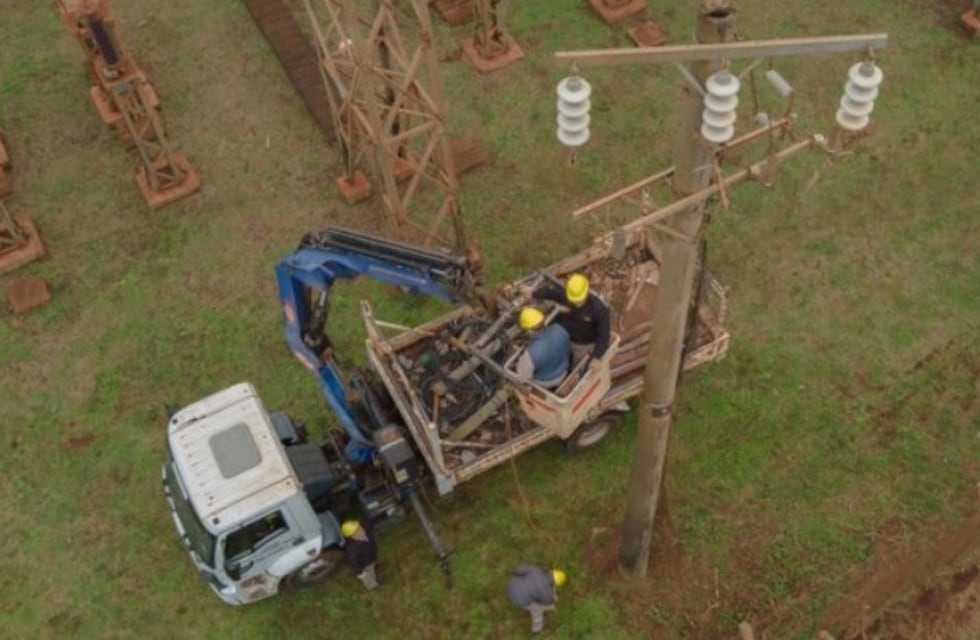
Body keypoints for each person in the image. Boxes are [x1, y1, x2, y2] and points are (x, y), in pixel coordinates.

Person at [529, 273, 610, 364]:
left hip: (583, 345)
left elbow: (604, 335)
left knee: (577, 364)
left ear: (586, 292)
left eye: (579, 299)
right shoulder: (568, 296)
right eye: (574, 300)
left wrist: (597, 356)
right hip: (567, 336)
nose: (576, 303)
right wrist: (533, 293)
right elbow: (553, 294)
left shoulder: (598, 309)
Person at [515, 307, 571, 389]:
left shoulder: (531, 354)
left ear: (528, 330)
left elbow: (522, 377)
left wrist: (519, 362)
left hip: (547, 382)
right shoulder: (559, 329)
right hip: (564, 370)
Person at [507, 565, 567, 634]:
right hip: (518, 599)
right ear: (555, 584)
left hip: (512, 585)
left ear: (551, 572)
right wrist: (551, 596)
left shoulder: (536, 570)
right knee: (537, 611)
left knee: (534, 595)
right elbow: (548, 602)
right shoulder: (546, 591)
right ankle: (537, 630)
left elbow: (519, 569)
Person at [341, 520, 379, 590]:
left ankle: (373, 575)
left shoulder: (365, 531)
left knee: (372, 568)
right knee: (369, 574)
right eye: (357, 531)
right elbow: (354, 563)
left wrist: (387, 513)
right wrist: (360, 573)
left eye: (360, 528)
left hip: (371, 557)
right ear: (352, 536)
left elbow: (372, 520)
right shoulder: (353, 550)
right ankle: (372, 586)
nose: (362, 530)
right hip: (365, 565)